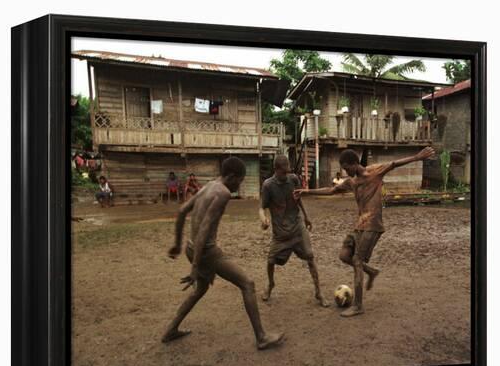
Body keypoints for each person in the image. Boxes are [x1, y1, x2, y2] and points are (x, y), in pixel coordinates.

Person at [294, 146, 435, 318]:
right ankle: (371, 271)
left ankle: (358, 305)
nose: (345, 171)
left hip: (373, 225)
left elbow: (395, 163)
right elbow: (331, 190)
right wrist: (307, 192)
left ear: (354, 164)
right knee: (344, 256)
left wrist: (418, 157)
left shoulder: (374, 171)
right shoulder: (351, 181)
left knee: (357, 260)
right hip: (359, 225)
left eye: (347, 168)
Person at [163, 157, 284, 350]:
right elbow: (204, 229)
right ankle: (261, 337)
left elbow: (182, 210)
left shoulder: (209, 186)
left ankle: (170, 330)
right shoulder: (223, 193)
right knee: (247, 284)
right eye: (240, 180)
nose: (239, 185)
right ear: (231, 176)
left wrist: (177, 244)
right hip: (206, 252)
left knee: (200, 290)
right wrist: (194, 266)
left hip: (191, 247)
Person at [259, 155, 329, 306]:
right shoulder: (268, 185)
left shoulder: (293, 179)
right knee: (271, 261)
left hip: (298, 228)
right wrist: (263, 219)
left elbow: (298, 198)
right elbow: (261, 207)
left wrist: (306, 216)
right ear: (276, 170)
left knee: (310, 257)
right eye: (284, 172)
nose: (286, 175)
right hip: (280, 234)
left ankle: (319, 292)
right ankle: (270, 285)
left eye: (288, 171)